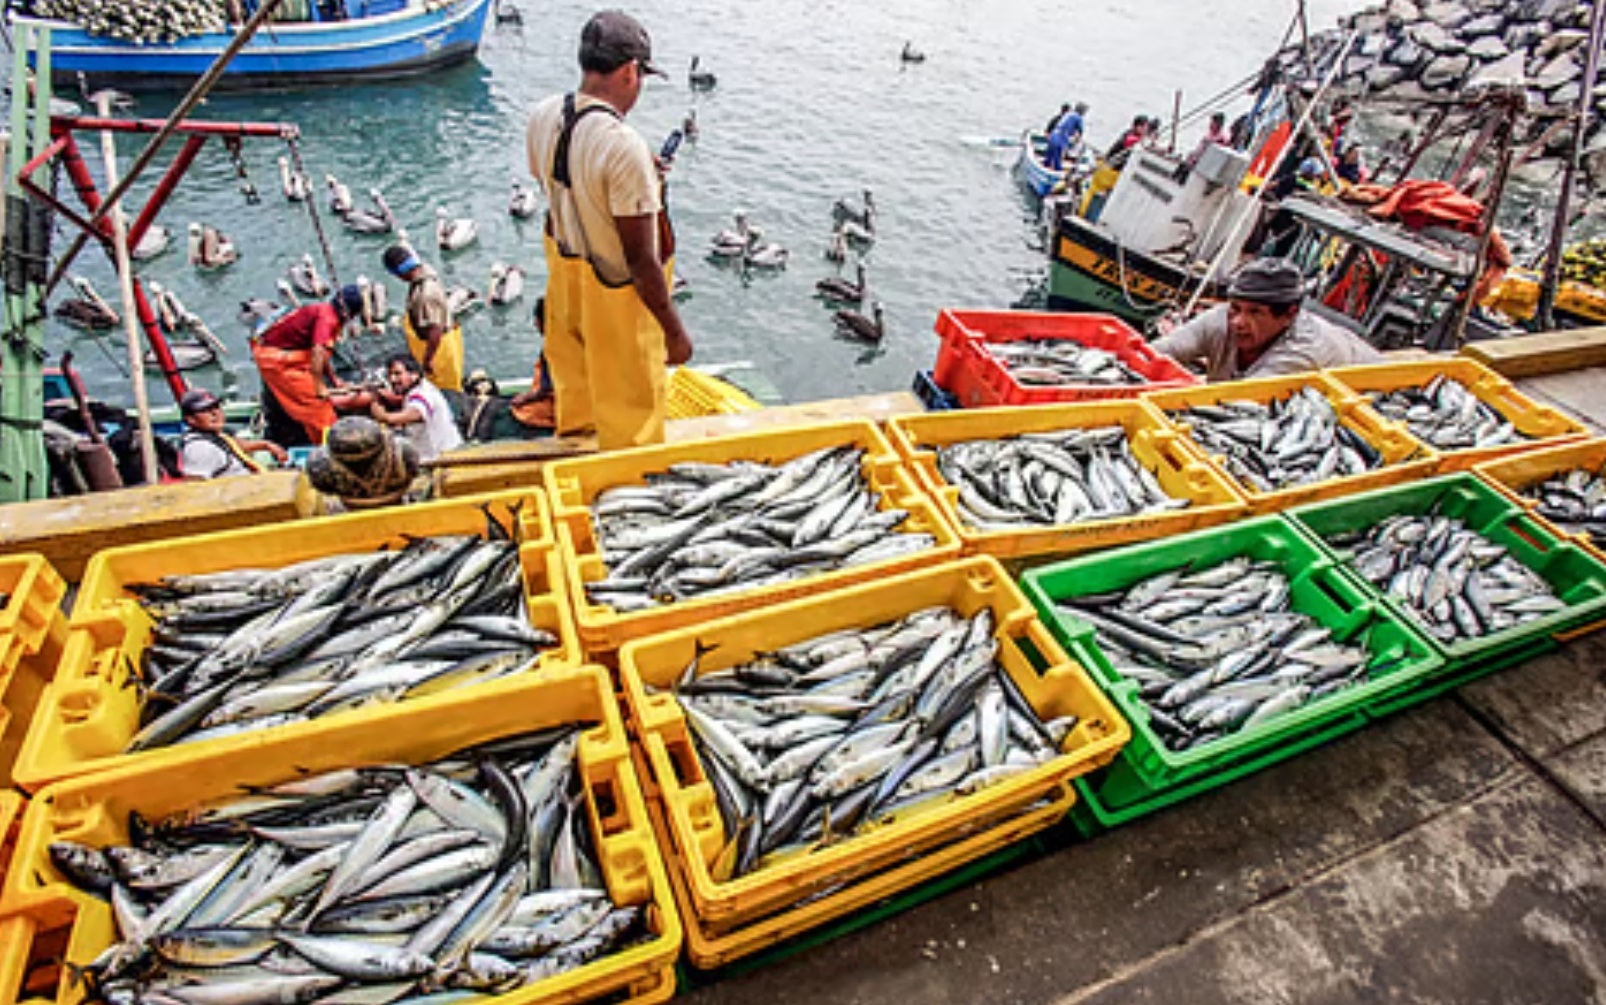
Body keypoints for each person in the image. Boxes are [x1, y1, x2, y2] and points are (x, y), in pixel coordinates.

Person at [526, 10, 693, 450]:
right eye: (641, 77)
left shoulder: (543, 115)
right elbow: (641, 259)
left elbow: (558, 187)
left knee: (578, 412)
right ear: (629, 71)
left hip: (567, 294)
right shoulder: (623, 146)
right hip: (617, 309)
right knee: (631, 429)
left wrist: (635, 182)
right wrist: (674, 333)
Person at [1151, 258, 1382, 382]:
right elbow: (1159, 351)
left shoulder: (1304, 351)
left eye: (1255, 312)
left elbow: (1241, 402)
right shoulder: (1222, 319)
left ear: (1289, 315)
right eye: (1236, 308)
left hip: (1372, 386)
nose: (1238, 322)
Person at [251, 284, 364, 444]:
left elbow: (324, 352)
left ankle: (317, 436)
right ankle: (330, 447)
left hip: (292, 355)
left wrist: (334, 380)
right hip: (280, 361)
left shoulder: (326, 312)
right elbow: (318, 351)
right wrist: (319, 387)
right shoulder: (327, 319)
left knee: (315, 405)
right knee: (318, 410)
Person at [383, 244, 464, 393]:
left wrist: (428, 360)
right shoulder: (424, 270)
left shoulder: (426, 294)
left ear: (398, 273)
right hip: (432, 336)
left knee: (443, 388)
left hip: (439, 349)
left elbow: (436, 330)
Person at [370, 353, 464, 462]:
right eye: (390, 375)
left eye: (397, 374)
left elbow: (415, 413)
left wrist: (382, 415)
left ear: (414, 375)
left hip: (438, 459)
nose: (392, 380)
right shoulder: (421, 387)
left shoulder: (422, 395)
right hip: (441, 452)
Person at [177, 388, 286, 479]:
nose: (215, 414)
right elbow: (196, 487)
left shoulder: (215, 435)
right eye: (205, 410)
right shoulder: (200, 448)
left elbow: (236, 445)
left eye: (216, 407)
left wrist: (266, 445)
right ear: (191, 419)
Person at [511, 295, 556, 430]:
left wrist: (525, 398)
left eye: (536, 319)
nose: (535, 324)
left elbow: (546, 389)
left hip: (559, 407)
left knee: (525, 411)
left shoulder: (552, 349)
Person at [1043, 101, 1088, 170]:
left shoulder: (1068, 114)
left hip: (1053, 135)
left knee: (1048, 159)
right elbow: (1080, 131)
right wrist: (1076, 141)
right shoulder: (1078, 118)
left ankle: (1047, 166)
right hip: (1061, 138)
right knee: (1057, 163)